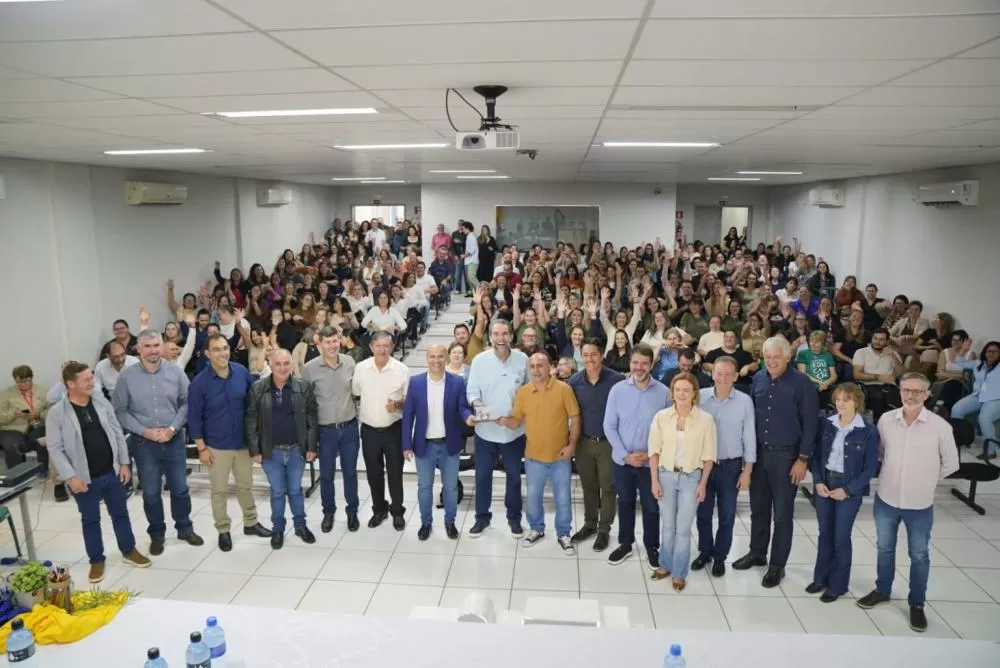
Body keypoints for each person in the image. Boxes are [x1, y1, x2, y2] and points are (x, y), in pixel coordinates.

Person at [857, 372, 959, 633]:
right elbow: (880, 453)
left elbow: (951, 464)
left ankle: (916, 604)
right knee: (885, 548)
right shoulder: (886, 420)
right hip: (887, 499)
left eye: (917, 391)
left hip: (920, 503)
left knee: (919, 555)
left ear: (927, 394)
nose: (911, 395)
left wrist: (925, 480)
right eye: (906, 390)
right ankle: (882, 590)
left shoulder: (940, 426)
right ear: (900, 391)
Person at [45, 362, 151, 583]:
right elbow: (54, 448)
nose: (92, 382)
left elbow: (116, 432)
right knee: (90, 520)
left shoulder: (101, 403)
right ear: (70, 384)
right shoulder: (57, 413)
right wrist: (70, 477)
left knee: (121, 514)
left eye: (92, 377)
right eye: (86, 379)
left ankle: (128, 550)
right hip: (83, 478)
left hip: (111, 472)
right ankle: (96, 560)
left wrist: (124, 463)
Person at [734, 336, 817, 588]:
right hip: (759, 455)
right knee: (758, 509)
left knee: (782, 515)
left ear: (788, 357)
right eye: (767, 357)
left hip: (786, 456)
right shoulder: (758, 379)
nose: (771, 361)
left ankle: (777, 565)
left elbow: (811, 423)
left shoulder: (802, 383)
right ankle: (757, 552)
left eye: (776, 357)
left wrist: (802, 459)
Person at [113, 330, 203, 555]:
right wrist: (144, 432)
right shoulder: (126, 376)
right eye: (148, 346)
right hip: (144, 444)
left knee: (180, 489)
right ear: (139, 348)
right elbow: (120, 411)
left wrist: (172, 429)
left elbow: (187, 403)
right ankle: (157, 534)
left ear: (162, 346)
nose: (153, 350)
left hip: (173, 441)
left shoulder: (175, 371)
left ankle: (184, 528)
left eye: (156, 345)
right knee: (151, 492)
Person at [187, 333, 271, 552]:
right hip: (215, 446)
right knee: (219, 491)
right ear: (207, 354)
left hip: (242, 443)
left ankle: (251, 523)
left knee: (246, 486)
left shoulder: (241, 372)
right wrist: (201, 448)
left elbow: (253, 403)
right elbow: (194, 418)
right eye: (216, 349)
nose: (222, 353)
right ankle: (223, 530)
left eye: (225, 348)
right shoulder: (199, 383)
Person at [498, 353, 580, 554]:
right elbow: (516, 421)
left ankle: (564, 533)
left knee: (563, 499)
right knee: (533, 497)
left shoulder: (564, 389)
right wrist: (500, 420)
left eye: (540, 366)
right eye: (532, 366)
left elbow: (575, 418)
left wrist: (571, 446)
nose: (536, 370)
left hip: (560, 457)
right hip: (534, 457)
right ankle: (536, 529)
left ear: (550, 366)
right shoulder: (524, 392)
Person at [807, 383, 878, 603]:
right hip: (825, 483)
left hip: (849, 487)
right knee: (824, 533)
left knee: (841, 536)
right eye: (838, 400)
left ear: (857, 402)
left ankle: (838, 585)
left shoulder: (867, 430)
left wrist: (848, 490)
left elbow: (870, 469)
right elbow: (817, 456)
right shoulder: (826, 424)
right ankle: (821, 578)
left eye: (846, 400)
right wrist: (817, 481)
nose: (841, 404)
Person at [649, 373, 717, 591]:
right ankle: (665, 565)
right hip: (666, 476)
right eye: (678, 389)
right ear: (672, 393)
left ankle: (679, 572)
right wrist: (654, 481)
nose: (682, 394)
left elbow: (709, 456)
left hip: (691, 478)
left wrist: (703, 483)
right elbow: (654, 452)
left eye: (687, 390)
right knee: (667, 526)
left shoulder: (705, 420)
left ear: (694, 393)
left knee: (683, 529)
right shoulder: (661, 417)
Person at [247, 349, 319, 549]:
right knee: (278, 491)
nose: (283, 367)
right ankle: (278, 529)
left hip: (297, 450)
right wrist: (255, 449)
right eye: (278, 364)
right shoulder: (258, 388)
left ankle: (300, 526)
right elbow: (251, 419)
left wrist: (311, 446)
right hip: (271, 452)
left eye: (286, 363)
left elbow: (312, 418)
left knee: (295, 490)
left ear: (291, 364)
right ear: (270, 364)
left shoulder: (303, 387)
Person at [402, 345, 475, 541]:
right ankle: (426, 522)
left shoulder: (457, 382)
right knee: (424, 487)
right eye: (432, 356)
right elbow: (408, 415)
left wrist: (468, 417)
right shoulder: (416, 382)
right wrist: (406, 444)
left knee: (450, 487)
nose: (436, 360)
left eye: (440, 356)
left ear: (446, 358)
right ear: (427, 358)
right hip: (423, 446)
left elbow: (462, 407)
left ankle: (450, 522)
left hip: (449, 445)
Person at [603, 344, 667, 566]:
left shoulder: (664, 393)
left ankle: (652, 547)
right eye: (635, 362)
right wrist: (625, 455)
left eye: (644, 363)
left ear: (651, 365)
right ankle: (626, 544)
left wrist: (650, 455)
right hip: (623, 462)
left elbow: (667, 430)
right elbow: (609, 426)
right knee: (625, 502)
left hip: (651, 463)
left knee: (651, 505)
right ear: (630, 363)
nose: (639, 367)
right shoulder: (617, 390)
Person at [693, 357, 755, 577]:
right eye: (719, 373)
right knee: (703, 513)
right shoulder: (700, 397)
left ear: (736, 376)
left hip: (730, 467)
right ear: (712, 374)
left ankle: (720, 557)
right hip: (703, 467)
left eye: (729, 374)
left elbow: (749, 437)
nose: (723, 378)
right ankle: (704, 551)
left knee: (727, 515)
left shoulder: (745, 401)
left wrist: (747, 471)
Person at [466, 320, 529, 537]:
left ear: (511, 335)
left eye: (504, 333)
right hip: (485, 432)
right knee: (482, 476)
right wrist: (478, 406)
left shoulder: (523, 360)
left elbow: (529, 391)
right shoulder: (479, 361)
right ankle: (482, 518)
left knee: (514, 476)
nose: (500, 338)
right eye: (496, 334)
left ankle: (514, 518)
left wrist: (518, 417)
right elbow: (472, 391)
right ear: (490, 337)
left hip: (513, 432)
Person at [567, 339, 624, 552]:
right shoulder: (574, 381)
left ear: (601, 355)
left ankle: (604, 530)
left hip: (608, 444)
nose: (589, 359)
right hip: (584, 442)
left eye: (593, 354)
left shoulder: (616, 380)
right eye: (585, 355)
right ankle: (589, 524)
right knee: (589, 486)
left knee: (608, 488)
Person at [302, 326, 360, 533]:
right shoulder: (309, 368)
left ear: (340, 341)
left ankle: (352, 512)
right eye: (327, 342)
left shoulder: (350, 362)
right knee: (326, 475)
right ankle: (329, 512)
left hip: (349, 428)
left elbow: (357, 392)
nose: (332, 346)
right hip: (325, 431)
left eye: (335, 341)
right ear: (320, 345)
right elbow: (307, 404)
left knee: (350, 473)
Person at [352, 331, 410, 529]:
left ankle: (397, 511)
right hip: (369, 430)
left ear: (392, 347)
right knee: (373, 473)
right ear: (371, 347)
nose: (382, 350)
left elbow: (408, 402)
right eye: (378, 346)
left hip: (393, 429)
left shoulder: (401, 369)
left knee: (395, 473)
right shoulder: (361, 368)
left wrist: (398, 405)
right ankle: (379, 509)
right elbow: (356, 392)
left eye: (386, 346)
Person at [950, 340, 1000, 458]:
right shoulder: (979, 364)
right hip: (978, 396)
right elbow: (958, 361)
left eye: (995, 352)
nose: (991, 354)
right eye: (989, 351)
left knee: (985, 418)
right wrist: (964, 349)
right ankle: (960, 439)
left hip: (996, 398)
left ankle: (991, 451)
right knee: (957, 409)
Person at [852, 328, 903, 424]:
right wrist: (878, 377)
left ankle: (893, 427)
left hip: (890, 386)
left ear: (887, 341)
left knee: (896, 399)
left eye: (881, 339)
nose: (877, 342)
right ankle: (877, 425)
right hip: (868, 385)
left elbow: (901, 373)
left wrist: (892, 355)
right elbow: (857, 374)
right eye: (875, 338)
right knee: (878, 397)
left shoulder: (892, 353)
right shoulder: (861, 352)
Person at [796, 330, 838, 407]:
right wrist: (819, 382)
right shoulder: (803, 354)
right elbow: (802, 374)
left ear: (822, 344)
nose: (813, 344)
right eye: (811, 341)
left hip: (826, 386)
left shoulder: (828, 355)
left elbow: (834, 375)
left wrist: (827, 383)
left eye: (816, 342)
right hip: (810, 386)